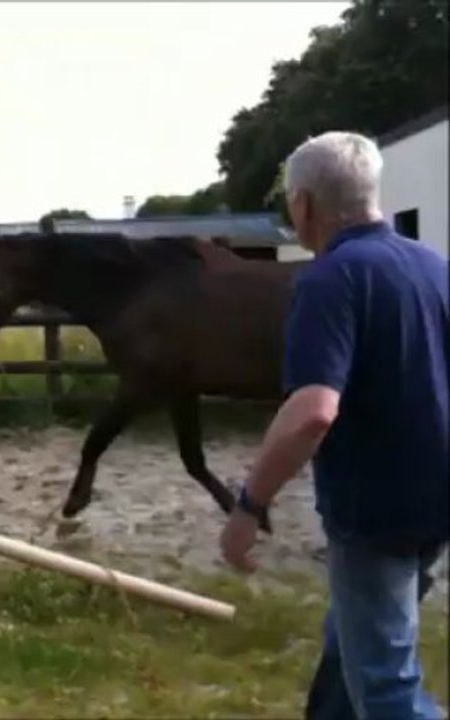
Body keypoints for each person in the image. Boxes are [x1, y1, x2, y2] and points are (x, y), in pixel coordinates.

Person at [218, 130, 449, 719]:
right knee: (354, 635)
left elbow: (313, 411)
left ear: (304, 204)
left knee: (386, 685)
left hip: (377, 511)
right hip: (436, 501)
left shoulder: (331, 278)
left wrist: (249, 505)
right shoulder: (434, 268)